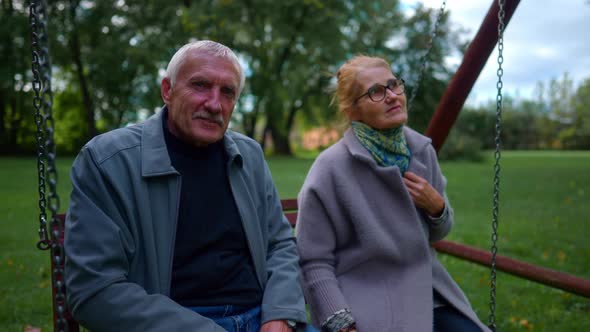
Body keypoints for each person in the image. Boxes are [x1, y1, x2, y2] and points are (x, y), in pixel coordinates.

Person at [65, 40, 310, 332]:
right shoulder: (108, 162)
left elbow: (279, 245)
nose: (214, 104)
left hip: (259, 318)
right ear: (167, 90)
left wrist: (279, 314)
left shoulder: (249, 156)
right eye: (200, 85)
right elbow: (95, 290)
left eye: (227, 92)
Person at [295, 55, 491, 332]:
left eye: (393, 85)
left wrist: (437, 208)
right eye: (376, 91)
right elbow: (313, 260)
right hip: (367, 300)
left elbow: (437, 233)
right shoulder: (331, 168)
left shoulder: (422, 151)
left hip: (428, 292)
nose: (391, 96)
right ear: (353, 111)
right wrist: (340, 321)